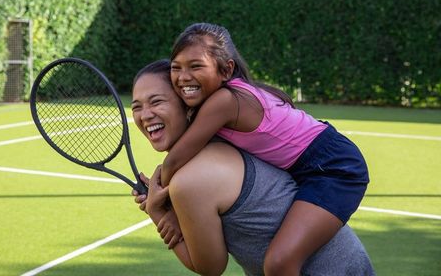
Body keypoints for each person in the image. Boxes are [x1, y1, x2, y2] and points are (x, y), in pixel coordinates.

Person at [158, 23, 370, 275]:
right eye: (175, 68)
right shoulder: (224, 101)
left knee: (279, 262)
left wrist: (159, 198)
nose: (183, 77)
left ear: (226, 70)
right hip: (313, 165)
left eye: (196, 66)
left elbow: (176, 158)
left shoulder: (225, 101)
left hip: (334, 168)